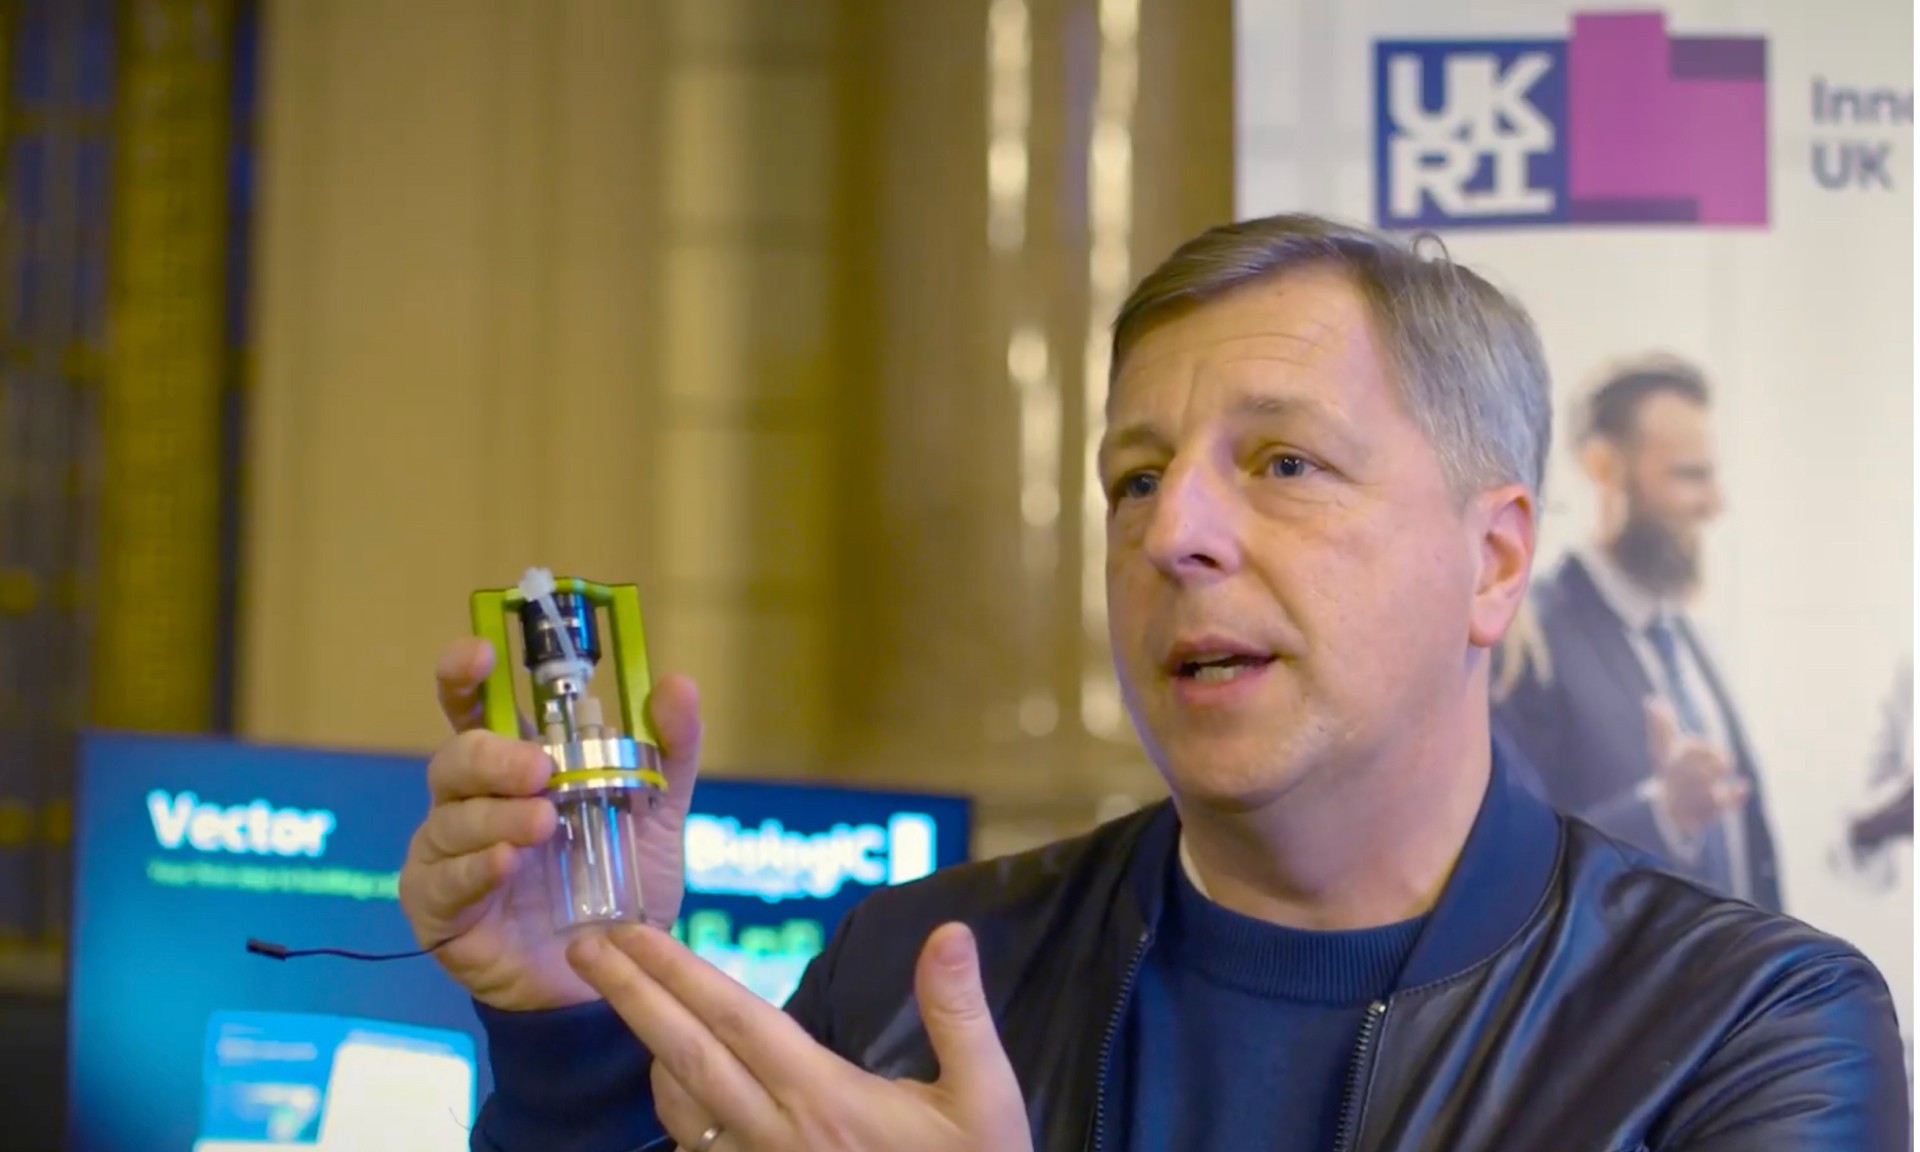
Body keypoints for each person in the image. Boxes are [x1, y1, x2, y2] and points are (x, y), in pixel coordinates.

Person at [399, 215, 1907, 1152]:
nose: (1173, 534)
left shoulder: (1747, 1030)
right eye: (1135, 479)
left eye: (1284, 463)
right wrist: (572, 1027)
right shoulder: (915, 969)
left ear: (1495, 560)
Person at [1492, 357, 1785, 912]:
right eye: (1688, 475)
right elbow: (1513, 869)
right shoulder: (1527, 642)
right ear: (1604, 467)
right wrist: (1661, 814)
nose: (1714, 503)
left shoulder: (1687, 638)